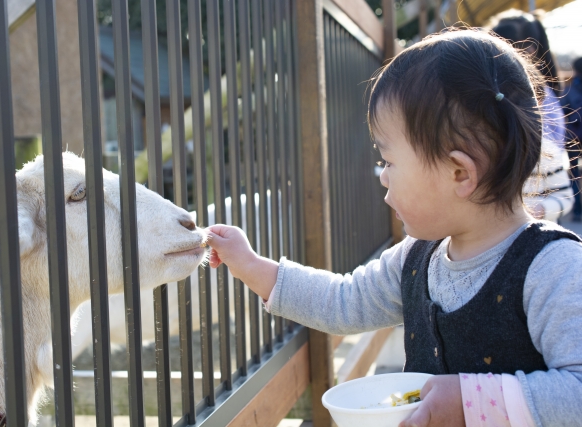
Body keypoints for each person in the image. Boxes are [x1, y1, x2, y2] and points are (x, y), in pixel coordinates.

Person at [206, 29, 582, 427]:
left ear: (459, 173)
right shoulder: (418, 258)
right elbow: (343, 301)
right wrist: (250, 265)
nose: (382, 176)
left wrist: (471, 402)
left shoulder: (552, 268)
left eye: (388, 160)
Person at [490, 10, 573, 222]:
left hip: (536, 220)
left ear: (530, 50)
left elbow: (561, 192)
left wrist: (541, 210)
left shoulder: (535, 97)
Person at [561, 57, 582, 221]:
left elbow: (562, 111)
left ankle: (577, 209)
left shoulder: (570, 88)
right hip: (574, 136)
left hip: (573, 136)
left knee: (574, 172)